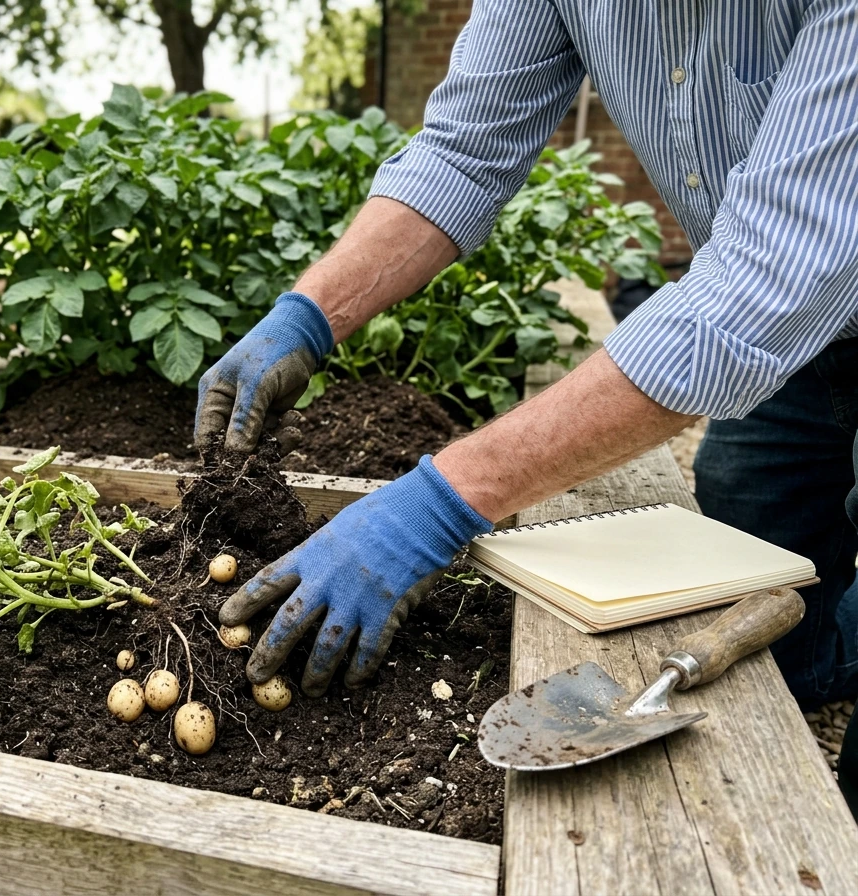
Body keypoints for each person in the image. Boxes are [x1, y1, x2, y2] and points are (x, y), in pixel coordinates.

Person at [194, 2, 858, 809]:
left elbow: (768, 279)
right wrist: (309, 315)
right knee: (761, 580)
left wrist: (438, 505)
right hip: (784, 340)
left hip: (777, 292)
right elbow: (465, 149)